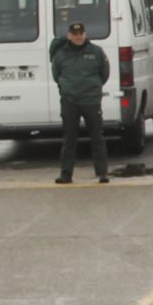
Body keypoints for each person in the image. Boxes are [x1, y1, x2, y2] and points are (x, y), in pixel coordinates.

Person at [50, 20, 111, 185]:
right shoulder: (61, 54)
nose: (78, 37)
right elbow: (56, 75)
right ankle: (66, 174)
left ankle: (102, 173)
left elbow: (104, 73)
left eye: (80, 34)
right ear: (69, 36)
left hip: (91, 100)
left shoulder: (96, 52)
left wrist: (93, 88)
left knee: (97, 137)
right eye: (74, 34)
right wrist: (67, 88)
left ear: (85, 34)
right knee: (69, 138)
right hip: (70, 101)